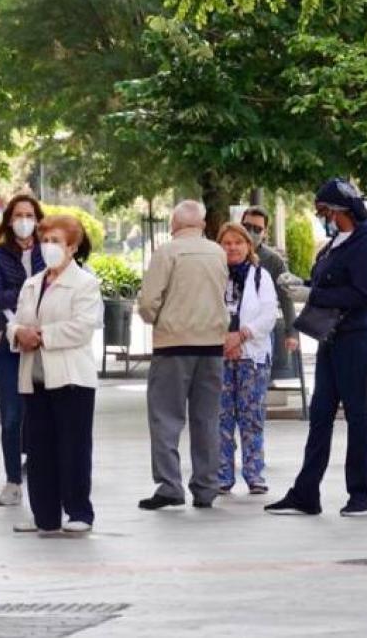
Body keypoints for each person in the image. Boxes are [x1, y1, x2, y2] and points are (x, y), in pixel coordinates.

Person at [267, 179, 367, 517]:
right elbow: (329, 283)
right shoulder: (337, 243)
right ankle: (306, 492)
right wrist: (302, 285)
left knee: (357, 412)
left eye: (323, 211)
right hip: (332, 336)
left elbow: (363, 294)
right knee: (320, 413)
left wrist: (312, 295)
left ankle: (362, 494)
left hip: (355, 336)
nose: (321, 217)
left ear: (339, 210)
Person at [7, 215, 103, 536]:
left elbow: (82, 327)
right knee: (39, 449)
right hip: (35, 378)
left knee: (73, 447)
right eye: (44, 240)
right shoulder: (32, 283)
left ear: (72, 247)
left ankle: (78, 511)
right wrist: (19, 332)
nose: (48, 247)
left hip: (71, 378)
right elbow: (16, 320)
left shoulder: (85, 283)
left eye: (56, 241)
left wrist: (42, 335)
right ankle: (44, 515)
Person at [136, 200, 229, 510]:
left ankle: (169, 486)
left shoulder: (167, 253)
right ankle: (206, 487)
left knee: (165, 418)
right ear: (202, 225)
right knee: (207, 419)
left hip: (173, 345)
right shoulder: (218, 253)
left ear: (174, 225)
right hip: (212, 347)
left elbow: (149, 302)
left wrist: (156, 319)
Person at [0, 194, 45, 507]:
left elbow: (52, 292)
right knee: (11, 417)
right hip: (7, 347)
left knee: (40, 414)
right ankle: (12, 481)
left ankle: (39, 471)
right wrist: (17, 328)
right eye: (19, 215)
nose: (24, 220)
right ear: (10, 220)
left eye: (29, 215)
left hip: (41, 344)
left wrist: (32, 328)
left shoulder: (48, 253)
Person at [215, 222, 278, 495]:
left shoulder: (259, 276)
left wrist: (241, 336)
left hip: (252, 356)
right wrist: (223, 341)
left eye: (238, 242)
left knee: (252, 417)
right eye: (226, 243)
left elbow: (268, 316)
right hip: (219, 356)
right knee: (221, 417)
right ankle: (222, 475)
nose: (232, 248)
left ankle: (254, 474)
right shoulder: (213, 275)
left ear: (248, 246)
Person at [240, 206, 300, 363]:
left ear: (265, 232)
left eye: (257, 229)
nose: (251, 232)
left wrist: (292, 333)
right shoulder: (226, 254)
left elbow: (286, 297)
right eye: (246, 227)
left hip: (259, 333)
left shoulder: (273, 261)